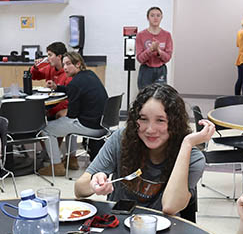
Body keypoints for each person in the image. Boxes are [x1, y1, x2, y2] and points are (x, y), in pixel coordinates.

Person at [74, 83, 209, 215]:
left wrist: (186, 144)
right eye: (143, 119)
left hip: (162, 231)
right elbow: (79, 189)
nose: (150, 130)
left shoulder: (192, 157)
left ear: (175, 123)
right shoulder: (121, 139)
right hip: (118, 224)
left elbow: (170, 207)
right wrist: (93, 184)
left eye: (160, 120)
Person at [39, 51, 108, 176]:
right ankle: (72, 159)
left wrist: (63, 112)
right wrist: (57, 87)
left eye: (68, 64)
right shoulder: (89, 75)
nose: (65, 67)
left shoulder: (75, 83)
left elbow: (72, 114)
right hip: (103, 125)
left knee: (46, 128)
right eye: (64, 64)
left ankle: (56, 166)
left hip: (90, 127)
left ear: (78, 64)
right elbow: (75, 89)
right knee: (67, 123)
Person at [30, 41, 71, 118]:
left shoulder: (68, 72)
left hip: (61, 108)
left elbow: (67, 99)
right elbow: (34, 76)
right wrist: (35, 67)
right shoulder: (50, 68)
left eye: (50, 55)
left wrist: (50, 112)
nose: (47, 58)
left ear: (59, 56)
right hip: (50, 104)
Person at [136, 7, 173, 90]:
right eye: (152, 15)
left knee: (160, 97)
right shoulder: (141, 35)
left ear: (161, 17)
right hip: (146, 70)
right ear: (147, 18)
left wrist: (159, 51)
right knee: (145, 97)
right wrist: (150, 50)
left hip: (161, 70)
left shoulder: (167, 35)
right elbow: (140, 59)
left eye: (158, 15)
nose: (155, 18)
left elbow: (167, 57)